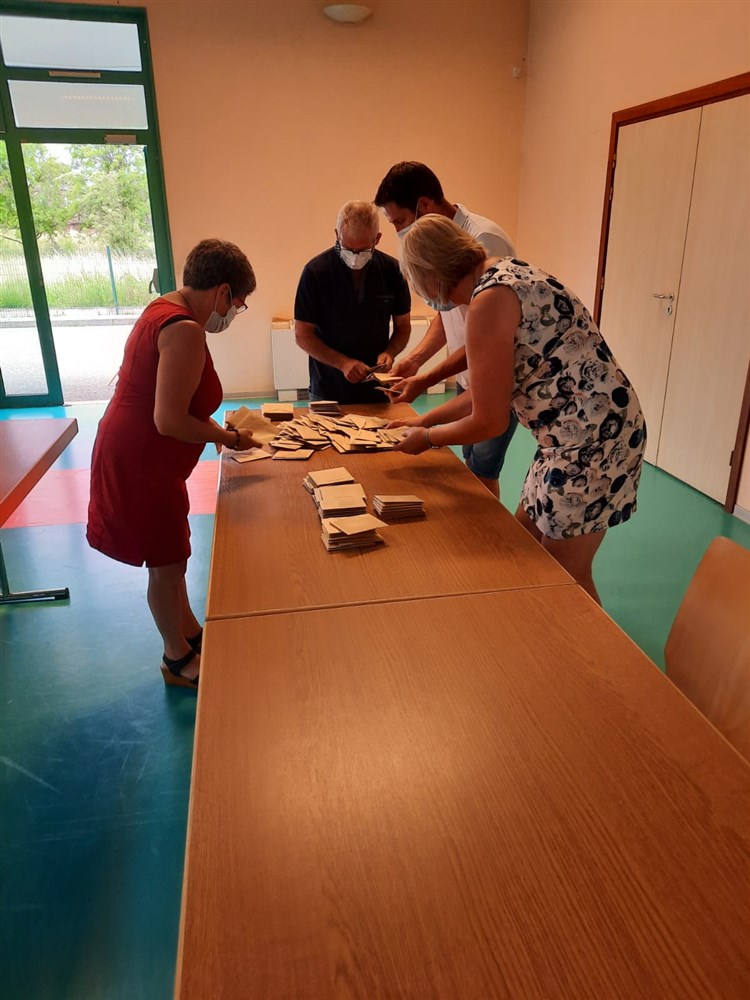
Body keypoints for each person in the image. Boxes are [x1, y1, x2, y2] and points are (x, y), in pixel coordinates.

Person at [391, 216, 646, 603]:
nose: (422, 294)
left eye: (416, 283)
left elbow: (489, 421)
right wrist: (424, 419)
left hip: (594, 440)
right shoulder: (505, 271)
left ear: (430, 275)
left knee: (565, 574)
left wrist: (426, 438)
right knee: (522, 542)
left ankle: (584, 642)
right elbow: (487, 391)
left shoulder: (488, 302)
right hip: (568, 437)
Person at [87, 239, 258, 688]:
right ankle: (175, 657)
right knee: (164, 564)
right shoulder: (184, 330)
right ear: (222, 291)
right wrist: (227, 438)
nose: (233, 313)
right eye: (238, 304)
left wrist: (217, 431)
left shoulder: (166, 306)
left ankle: (189, 632)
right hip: (142, 459)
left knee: (174, 554)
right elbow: (169, 419)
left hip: (146, 455)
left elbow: (177, 400)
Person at [374, 161, 517, 499]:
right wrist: (416, 363)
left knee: (482, 470)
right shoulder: (467, 281)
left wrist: (427, 432)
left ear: (423, 205)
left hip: (578, 428)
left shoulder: (485, 248)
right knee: (473, 468)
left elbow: (489, 416)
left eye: (399, 222)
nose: (398, 232)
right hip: (479, 380)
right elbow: (448, 312)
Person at [294, 200, 411, 403]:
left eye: (363, 250)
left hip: (377, 389)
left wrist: (390, 353)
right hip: (327, 389)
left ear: (377, 239)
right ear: (337, 235)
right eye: (348, 249)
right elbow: (302, 335)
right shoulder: (315, 273)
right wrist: (342, 363)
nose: (355, 257)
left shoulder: (392, 271)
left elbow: (403, 327)